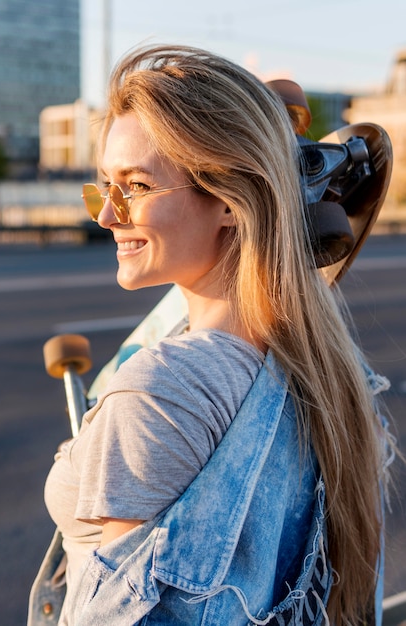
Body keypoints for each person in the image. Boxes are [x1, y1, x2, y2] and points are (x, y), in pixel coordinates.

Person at [36, 45, 393, 625]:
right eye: (103, 186)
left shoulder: (161, 392)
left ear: (229, 200)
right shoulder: (328, 376)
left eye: (137, 187)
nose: (106, 215)